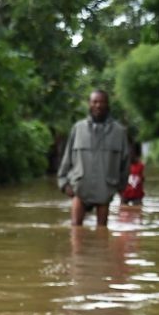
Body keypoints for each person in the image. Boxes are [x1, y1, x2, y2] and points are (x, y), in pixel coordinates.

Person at [56, 88, 130, 227]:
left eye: (102, 102)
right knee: (75, 229)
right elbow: (67, 158)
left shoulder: (119, 132)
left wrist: (120, 187)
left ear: (107, 105)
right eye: (95, 102)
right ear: (89, 104)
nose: (98, 106)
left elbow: (125, 164)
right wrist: (63, 183)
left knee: (102, 232)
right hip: (80, 187)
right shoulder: (78, 128)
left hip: (105, 189)